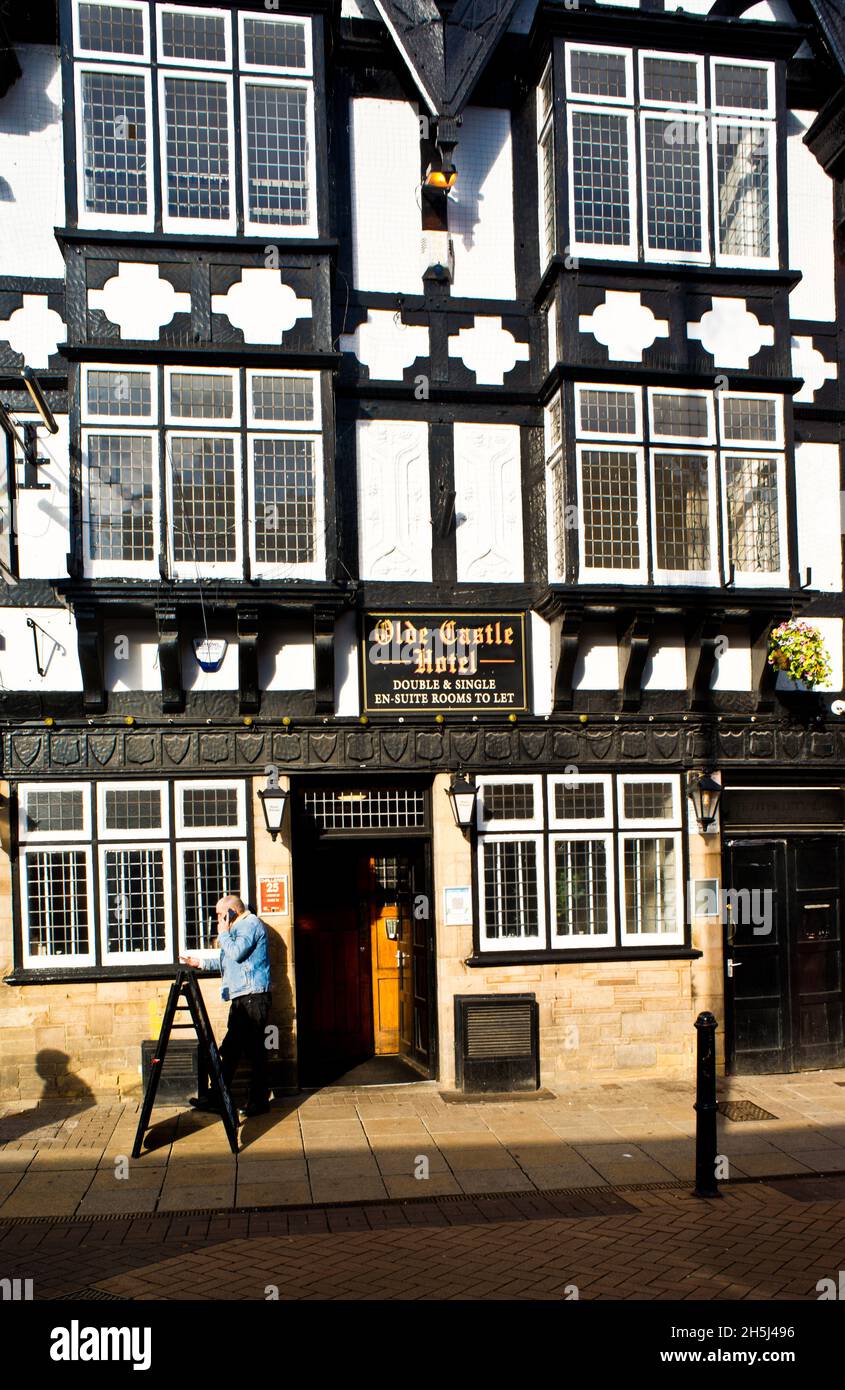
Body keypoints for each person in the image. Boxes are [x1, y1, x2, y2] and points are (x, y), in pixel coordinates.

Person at [181, 894, 272, 1119]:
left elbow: (236, 953)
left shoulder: (250, 924)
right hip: (242, 997)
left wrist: (223, 933)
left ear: (233, 912)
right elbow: (227, 959)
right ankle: (217, 1098)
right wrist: (200, 962)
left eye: (221, 915)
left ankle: (258, 1101)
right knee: (230, 1050)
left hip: (253, 997)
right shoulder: (237, 929)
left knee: (254, 1052)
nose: (218, 920)